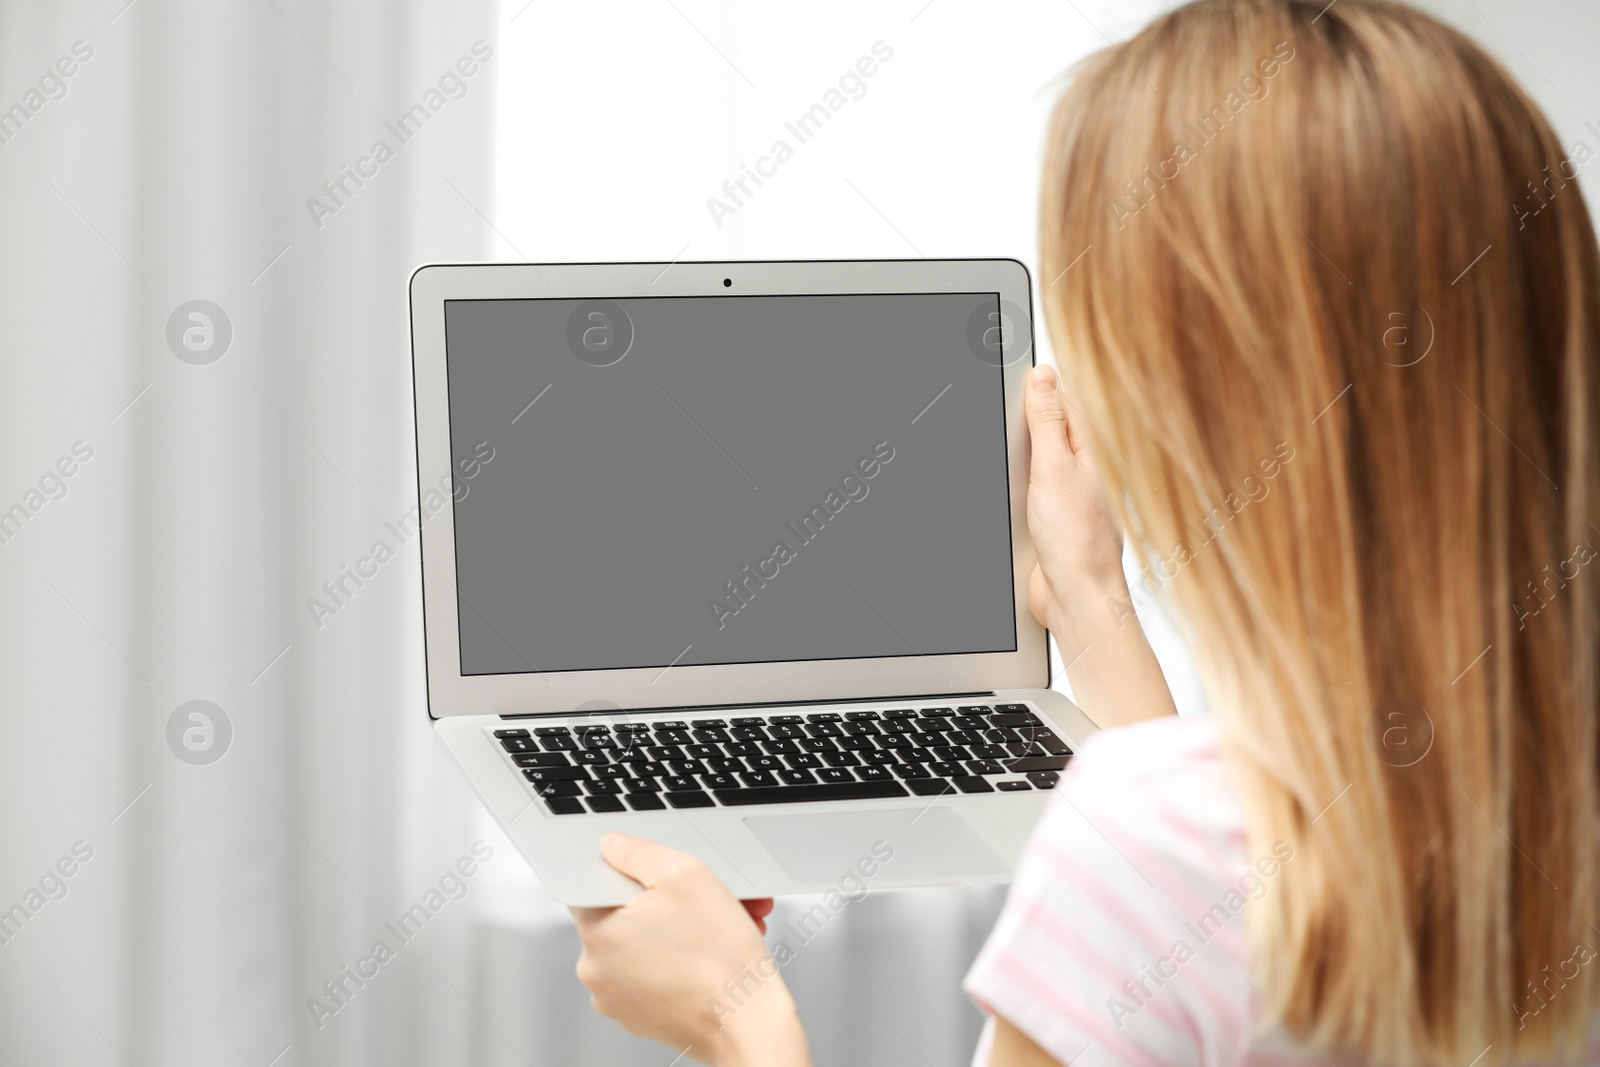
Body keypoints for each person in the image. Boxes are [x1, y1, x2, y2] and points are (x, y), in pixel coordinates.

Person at [569, 0, 1600, 1063]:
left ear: (1194, 382)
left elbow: (1187, 860)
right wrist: (1086, 593)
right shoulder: (1471, 794)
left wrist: (737, 1018)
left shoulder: (1154, 835)